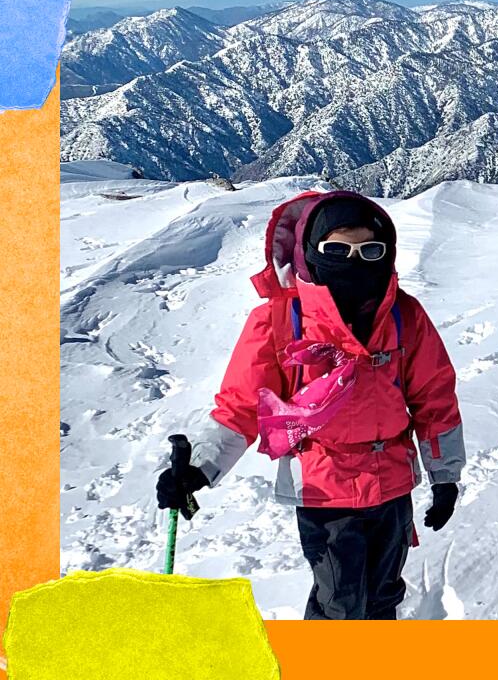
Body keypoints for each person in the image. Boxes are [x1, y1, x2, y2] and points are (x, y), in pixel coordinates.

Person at [155, 190, 466, 620]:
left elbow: (434, 400)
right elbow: (241, 406)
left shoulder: (404, 316)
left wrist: (445, 476)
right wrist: (199, 470)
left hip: (392, 488)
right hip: (325, 490)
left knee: (383, 596)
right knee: (338, 602)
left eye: (369, 250)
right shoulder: (279, 321)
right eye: (337, 249)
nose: (354, 261)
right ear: (311, 252)